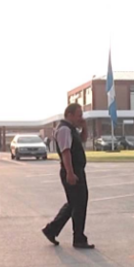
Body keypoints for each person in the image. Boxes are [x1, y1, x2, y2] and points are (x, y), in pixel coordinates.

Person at [42, 104, 94, 249]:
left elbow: (83, 140)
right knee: (79, 203)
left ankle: (51, 230)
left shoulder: (71, 129)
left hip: (76, 170)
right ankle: (78, 238)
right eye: (79, 114)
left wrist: (84, 127)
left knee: (74, 203)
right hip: (72, 170)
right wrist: (70, 173)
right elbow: (66, 152)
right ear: (69, 115)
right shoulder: (64, 129)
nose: (81, 117)